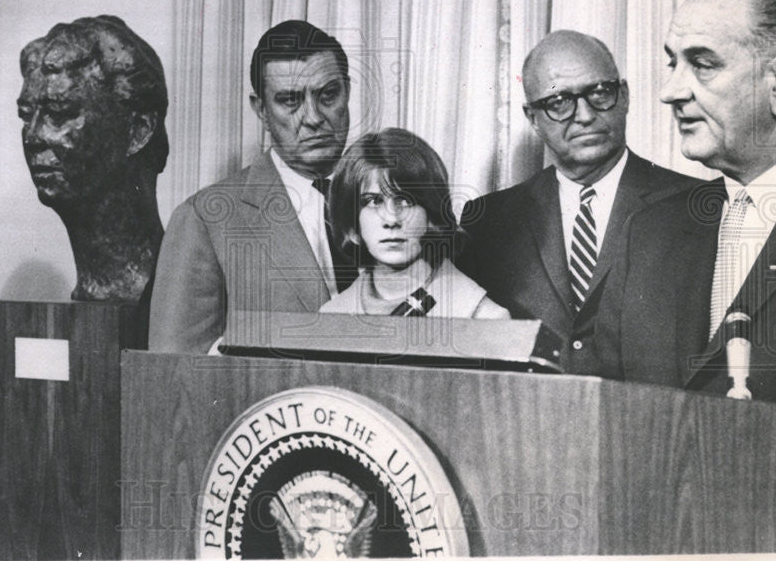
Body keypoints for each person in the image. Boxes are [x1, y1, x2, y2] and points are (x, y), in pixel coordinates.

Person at [593, 0, 776, 409]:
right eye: (673, 63)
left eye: (702, 64)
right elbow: (600, 417)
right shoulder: (645, 233)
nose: (669, 92)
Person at [457, 30, 698, 367]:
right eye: (558, 102)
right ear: (533, 119)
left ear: (624, 96)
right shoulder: (488, 222)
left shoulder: (694, 206)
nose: (584, 115)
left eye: (600, 93)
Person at [149, 19, 356, 352]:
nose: (314, 117)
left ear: (348, 91)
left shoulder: (393, 203)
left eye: (328, 95)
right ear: (260, 109)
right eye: (290, 101)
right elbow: (177, 380)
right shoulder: (204, 220)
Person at [18, 15, 168, 302]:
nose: (33, 137)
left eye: (60, 113)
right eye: (26, 115)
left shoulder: (182, 293)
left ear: (138, 131)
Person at [320, 128, 509, 318]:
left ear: (431, 215)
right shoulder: (329, 317)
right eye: (373, 201)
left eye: (406, 201)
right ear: (352, 226)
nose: (392, 220)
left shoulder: (484, 317)